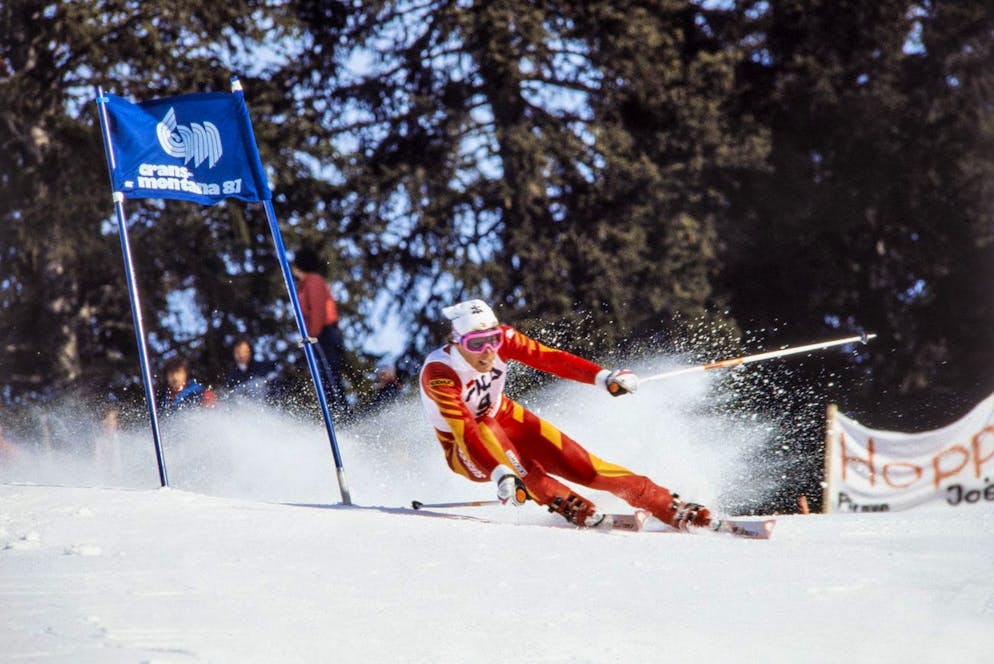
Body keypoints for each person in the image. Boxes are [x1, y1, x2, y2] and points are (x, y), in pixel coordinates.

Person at [418, 299, 712, 530]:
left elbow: (548, 358)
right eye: (475, 344)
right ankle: (567, 503)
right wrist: (500, 473)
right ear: (457, 342)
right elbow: (466, 431)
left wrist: (604, 377)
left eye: (492, 340)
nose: (487, 351)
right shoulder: (440, 373)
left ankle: (668, 505)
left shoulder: (504, 340)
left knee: (585, 467)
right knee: (489, 432)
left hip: (505, 416)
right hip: (463, 450)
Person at [291, 246, 349, 414]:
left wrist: (312, 335)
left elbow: (318, 310)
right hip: (319, 334)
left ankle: (341, 414)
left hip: (323, 334)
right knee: (323, 377)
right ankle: (333, 412)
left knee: (330, 376)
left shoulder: (313, 281)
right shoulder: (304, 285)